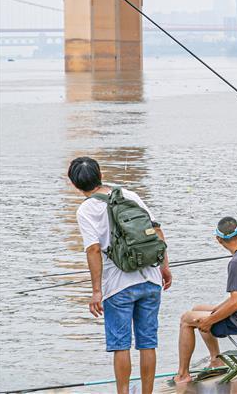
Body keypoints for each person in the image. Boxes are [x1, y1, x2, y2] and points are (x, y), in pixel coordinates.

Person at [69, 157, 171, 394]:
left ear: (75, 184)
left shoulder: (86, 209)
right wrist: (164, 267)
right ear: (100, 174)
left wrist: (96, 291)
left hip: (118, 285)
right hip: (150, 278)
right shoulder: (129, 195)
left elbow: (93, 249)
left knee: (121, 345)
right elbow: (156, 230)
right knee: (148, 343)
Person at [174, 217, 237, 385]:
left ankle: (183, 374)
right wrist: (212, 314)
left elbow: (236, 303)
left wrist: (209, 320)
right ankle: (216, 360)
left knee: (186, 319)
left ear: (218, 239)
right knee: (197, 308)